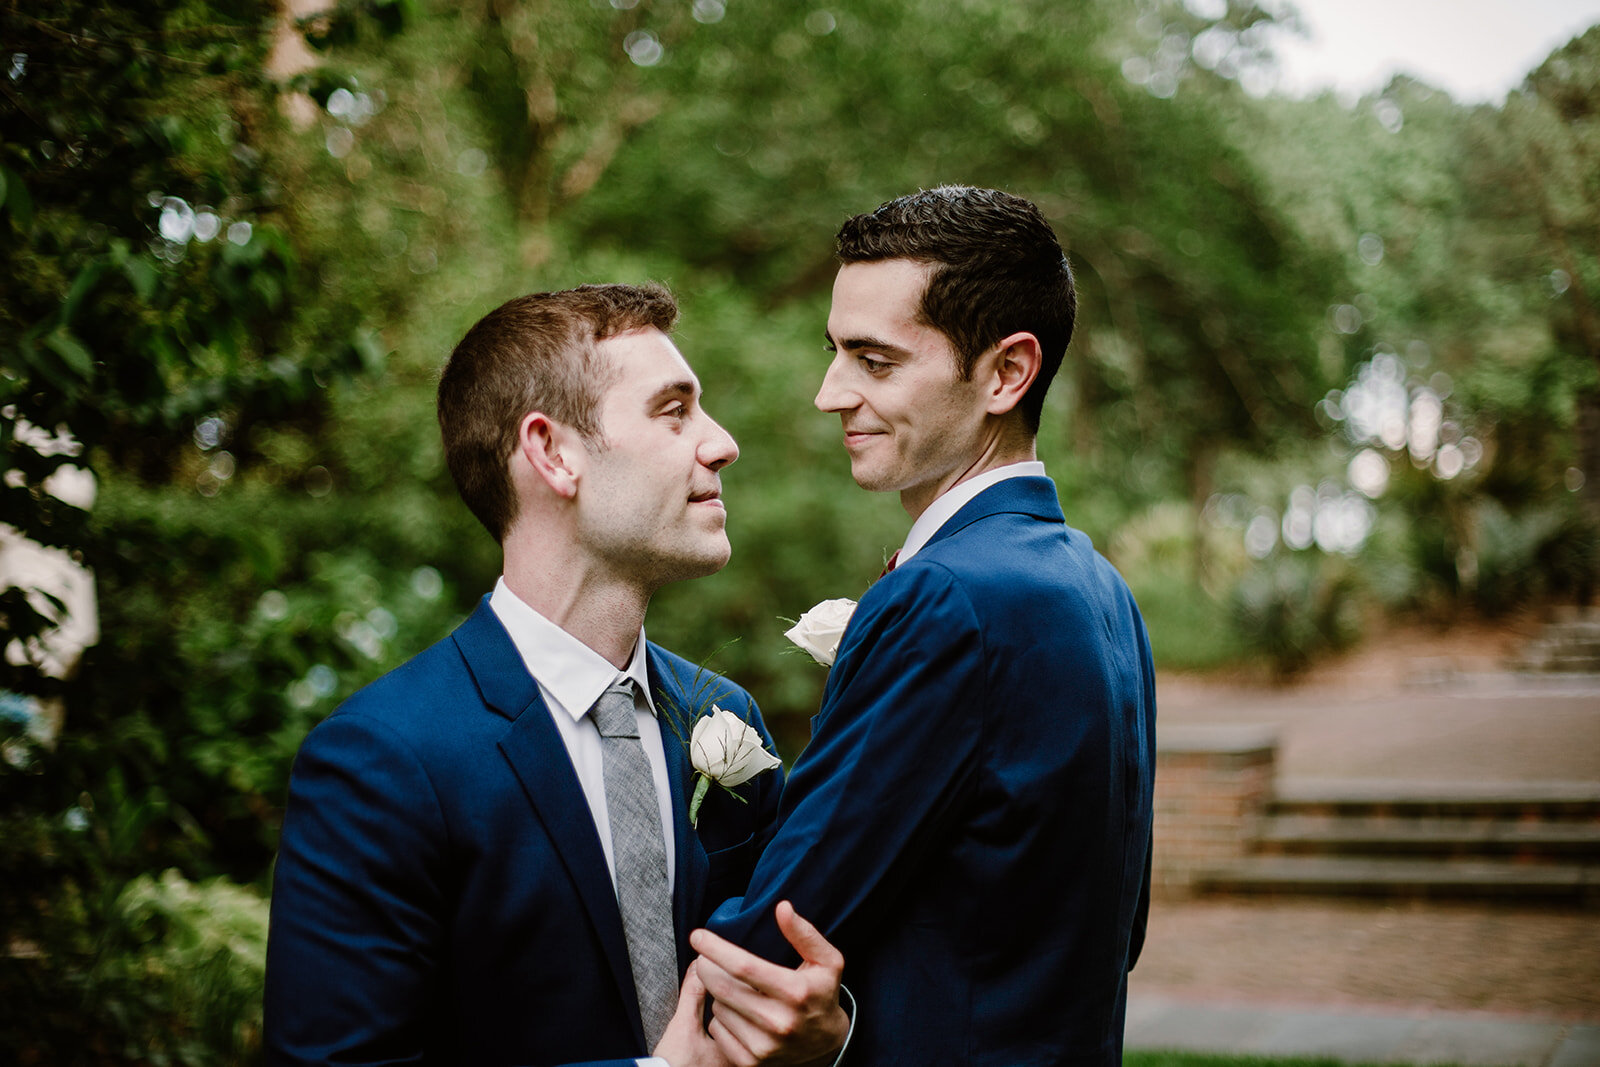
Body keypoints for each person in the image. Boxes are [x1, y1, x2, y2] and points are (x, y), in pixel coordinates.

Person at [264, 284, 848, 1067]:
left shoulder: (722, 715)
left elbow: (793, 966)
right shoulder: (382, 761)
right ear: (552, 452)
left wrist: (831, 1032)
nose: (722, 443)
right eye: (675, 411)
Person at [702, 187, 1157, 1065]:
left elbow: (772, 939)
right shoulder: (1101, 590)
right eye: (833, 352)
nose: (829, 393)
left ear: (1005, 373)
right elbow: (1113, 933)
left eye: (874, 361)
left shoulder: (948, 598)